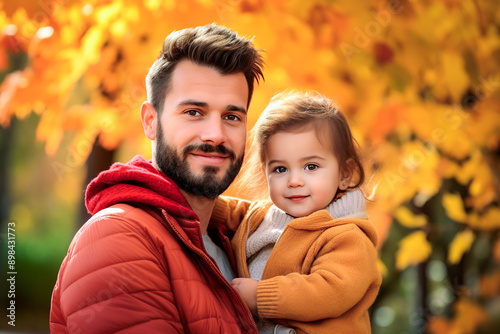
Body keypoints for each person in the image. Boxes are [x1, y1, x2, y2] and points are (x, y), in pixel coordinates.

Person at [49, 24, 264, 333]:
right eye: (194, 112)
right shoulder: (119, 239)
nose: (216, 135)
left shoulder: (236, 242)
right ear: (151, 122)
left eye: (232, 117)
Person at [212, 91, 382, 334]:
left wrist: (261, 296)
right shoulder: (259, 217)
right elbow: (226, 210)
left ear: (344, 174)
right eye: (280, 169)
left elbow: (329, 291)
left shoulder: (347, 237)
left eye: (311, 166)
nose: (294, 181)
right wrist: (190, 197)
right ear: (265, 173)